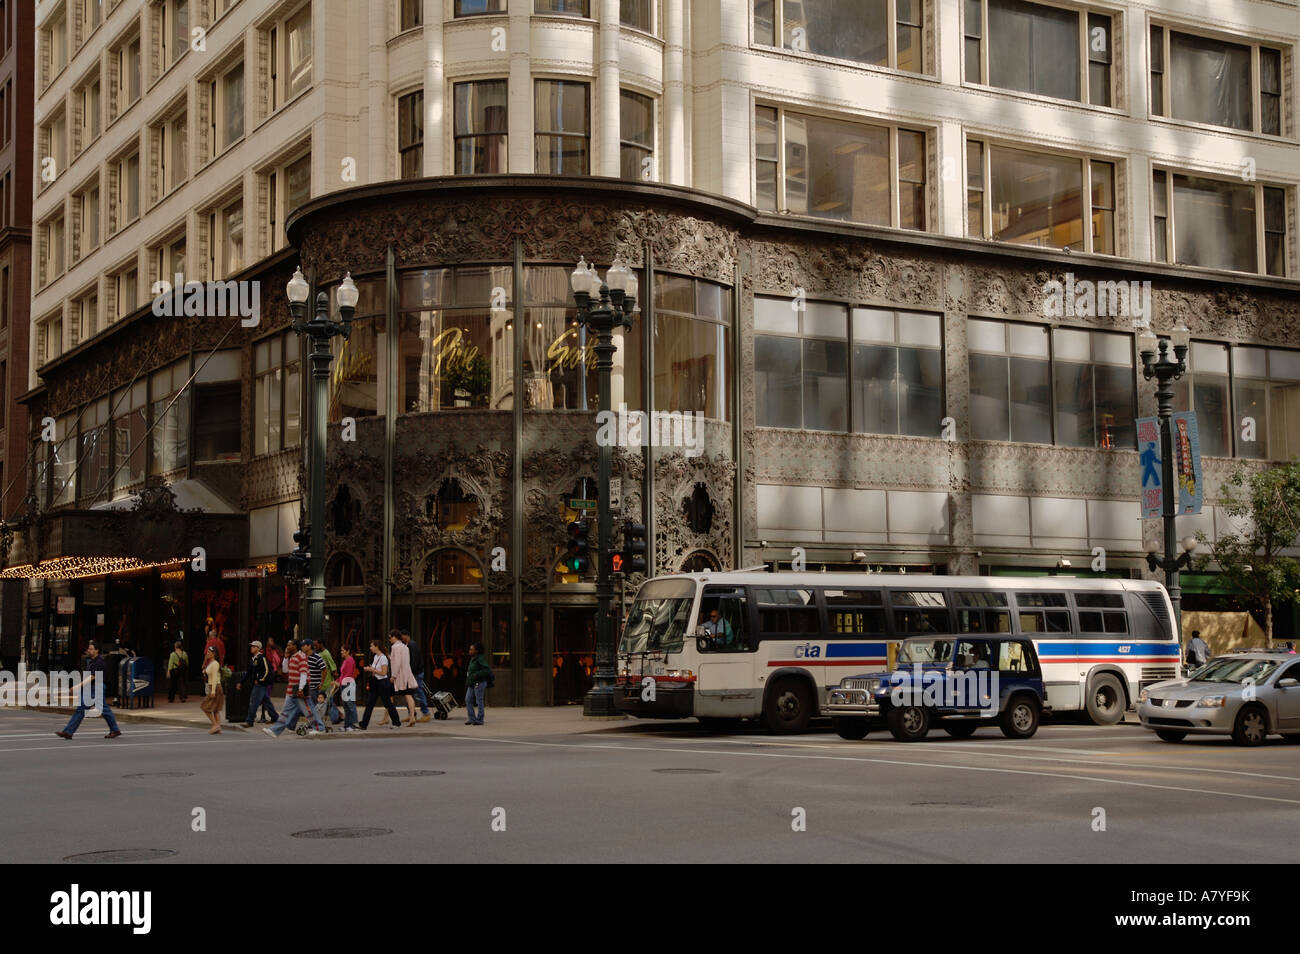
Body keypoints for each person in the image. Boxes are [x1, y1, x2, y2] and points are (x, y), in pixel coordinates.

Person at [55, 642, 122, 740]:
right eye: (89, 648)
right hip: (91, 688)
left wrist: (78, 686)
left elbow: (92, 677)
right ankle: (68, 732)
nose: (88, 650)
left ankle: (68, 732)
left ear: (96, 650)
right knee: (88, 709)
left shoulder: (99, 662)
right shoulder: (92, 661)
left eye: (91, 649)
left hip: (96, 687)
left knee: (99, 709)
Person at [263, 640, 323, 738]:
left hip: (299, 690)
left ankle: (319, 728)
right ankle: (275, 731)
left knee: (309, 711)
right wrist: (286, 657)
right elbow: (285, 670)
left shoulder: (301, 656)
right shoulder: (293, 657)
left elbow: (303, 673)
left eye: (289, 645)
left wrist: (300, 689)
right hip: (291, 690)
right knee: (285, 712)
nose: (287, 647)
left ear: (295, 646)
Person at [359, 637, 402, 730]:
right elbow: (377, 670)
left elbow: (384, 672)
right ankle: (363, 724)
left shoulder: (383, 658)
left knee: (388, 704)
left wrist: (372, 669)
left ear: (376, 647)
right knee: (370, 703)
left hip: (382, 683)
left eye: (371, 646)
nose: (370, 648)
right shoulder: (376, 657)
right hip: (375, 682)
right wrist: (371, 669)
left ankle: (397, 722)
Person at [239, 641, 279, 728]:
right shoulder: (253, 659)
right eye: (251, 646)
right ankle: (275, 717)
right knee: (266, 702)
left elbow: (266, 670)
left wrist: (260, 680)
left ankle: (249, 721)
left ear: (258, 648)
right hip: (258, 684)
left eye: (253, 646)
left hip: (260, 684)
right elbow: (249, 672)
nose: (251, 648)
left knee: (253, 702)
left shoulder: (261, 658)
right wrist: (241, 682)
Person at [387, 630, 419, 727]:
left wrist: (393, 676)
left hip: (399, 676)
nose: (389, 640)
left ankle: (390, 717)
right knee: (408, 695)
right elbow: (404, 661)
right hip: (407, 673)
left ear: (394, 637)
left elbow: (397, 663)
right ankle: (412, 716)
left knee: (390, 695)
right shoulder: (405, 647)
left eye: (390, 637)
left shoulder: (395, 647)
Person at [400, 630, 431, 722]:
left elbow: (414, 661)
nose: (401, 638)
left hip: (415, 673)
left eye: (402, 636)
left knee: (418, 692)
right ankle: (412, 714)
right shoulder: (410, 644)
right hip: (415, 672)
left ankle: (426, 713)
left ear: (406, 636)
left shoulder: (411, 645)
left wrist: (411, 673)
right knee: (411, 694)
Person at [465, 642, 491, 726]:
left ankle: (480, 719)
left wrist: (476, 674)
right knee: (468, 699)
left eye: (471, 649)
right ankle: (472, 718)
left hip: (479, 683)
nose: (469, 651)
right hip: (471, 683)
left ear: (476, 651)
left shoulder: (480, 659)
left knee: (479, 700)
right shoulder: (473, 658)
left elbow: (487, 670)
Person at [199, 644, 224, 734]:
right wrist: (205, 661)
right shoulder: (210, 663)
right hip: (213, 687)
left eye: (209, 652)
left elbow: (214, 678)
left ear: (214, 653)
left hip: (215, 687)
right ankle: (218, 727)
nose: (207, 653)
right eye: (207, 652)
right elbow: (205, 670)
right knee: (215, 709)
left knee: (205, 706)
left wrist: (213, 691)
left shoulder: (215, 664)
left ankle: (215, 725)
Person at [338, 647, 360, 731]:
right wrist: (337, 681)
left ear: (348, 651)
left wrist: (339, 682)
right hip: (344, 683)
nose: (341, 652)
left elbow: (348, 674)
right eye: (341, 650)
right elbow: (342, 674)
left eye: (343, 650)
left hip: (348, 684)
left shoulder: (350, 660)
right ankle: (347, 725)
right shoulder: (345, 661)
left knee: (350, 705)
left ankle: (353, 725)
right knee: (346, 706)